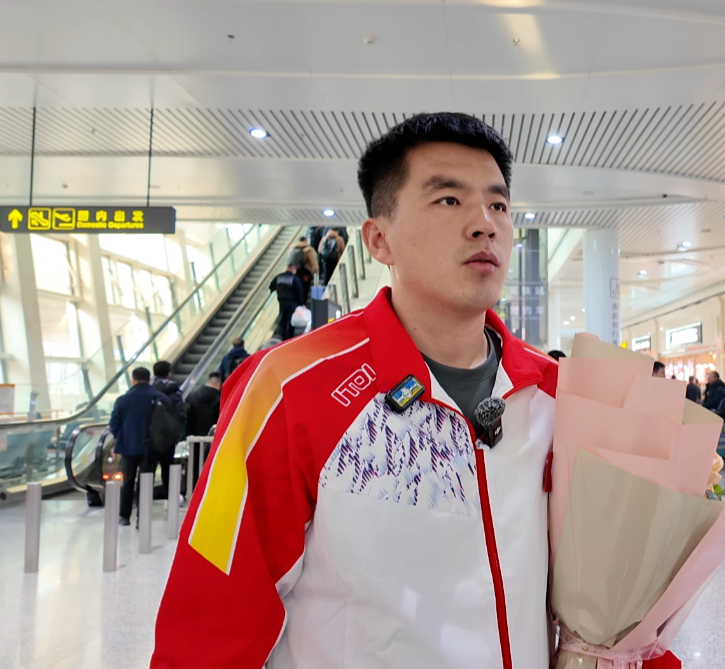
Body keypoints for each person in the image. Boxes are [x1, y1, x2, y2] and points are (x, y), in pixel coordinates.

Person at [154, 112, 559, 668]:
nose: (484, 224)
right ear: (378, 239)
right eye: (449, 200)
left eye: (499, 205)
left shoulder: (553, 393)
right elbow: (211, 620)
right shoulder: (288, 389)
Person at [108, 367, 170, 526]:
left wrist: (121, 438)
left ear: (133, 380)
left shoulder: (123, 400)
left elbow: (114, 424)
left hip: (128, 447)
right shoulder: (160, 397)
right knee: (146, 482)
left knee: (128, 481)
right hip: (152, 447)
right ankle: (142, 518)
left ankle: (124, 516)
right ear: (149, 380)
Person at [152, 361, 185, 498]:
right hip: (168, 436)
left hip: (150, 436)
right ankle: (170, 497)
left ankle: (143, 500)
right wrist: (179, 433)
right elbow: (180, 413)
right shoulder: (174, 390)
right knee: (168, 467)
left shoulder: (149, 389)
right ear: (169, 374)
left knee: (148, 470)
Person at [270, 264, 307, 341]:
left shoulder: (279, 277)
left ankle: (280, 336)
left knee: (282, 320)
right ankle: (288, 339)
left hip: (282, 302)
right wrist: (302, 304)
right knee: (290, 321)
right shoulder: (295, 279)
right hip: (292, 303)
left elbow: (271, 286)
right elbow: (300, 292)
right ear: (294, 270)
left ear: (287, 268)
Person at [186, 372, 222, 438]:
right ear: (218, 384)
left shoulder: (193, 395)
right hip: (211, 438)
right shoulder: (219, 399)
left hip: (193, 438)